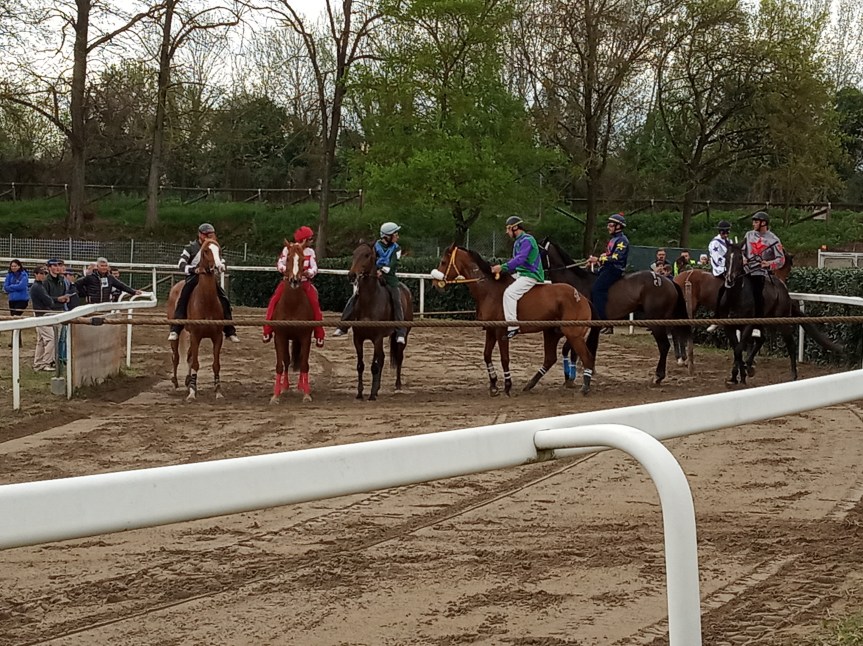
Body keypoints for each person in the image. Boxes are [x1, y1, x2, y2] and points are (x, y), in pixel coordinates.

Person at [333, 222, 407, 344]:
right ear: (387, 236)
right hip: (373, 276)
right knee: (355, 298)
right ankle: (343, 326)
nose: (397, 236)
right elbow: (370, 260)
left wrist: (382, 271)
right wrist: (372, 270)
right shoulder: (376, 246)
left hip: (390, 278)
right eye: (395, 234)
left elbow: (394, 263)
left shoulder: (397, 248)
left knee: (396, 300)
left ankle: (400, 331)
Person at [168, 223, 239, 343]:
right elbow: (181, 263)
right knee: (183, 297)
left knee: (224, 299)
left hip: (210, 278)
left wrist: (222, 266)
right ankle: (176, 328)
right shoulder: (190, 248)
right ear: (200, 235)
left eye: (211, 234)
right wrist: (194, 269)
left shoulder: (213, 247)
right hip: (194, 277)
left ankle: (229, 330)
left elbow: (221, 260)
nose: (209, 237)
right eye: (206, 235)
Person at [262, 226, 325, 347]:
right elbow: (280, 263)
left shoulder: (310, 252)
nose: (311, 241)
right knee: (274, 301)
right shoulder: (287, 249)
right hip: (288, 281)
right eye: (310, 239)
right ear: (303, 239)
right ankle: (267, 330)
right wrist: (285, 270)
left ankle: (319, 334)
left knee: (314, 303)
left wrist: (309, 272)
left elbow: (314, 267)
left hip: (304, 283)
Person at [491, 216, 545, 340]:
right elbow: (516, 262)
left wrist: (502, 267)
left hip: (531, 275)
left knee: (509, 293)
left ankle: (513, 326)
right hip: (522, 274)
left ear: (515, 228)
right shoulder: (518, 241)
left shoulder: (527, 240)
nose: (507, 232)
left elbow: (520, 259)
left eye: (508, 229)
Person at [743, 211, 785, 338]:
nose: (753, 224)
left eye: (756, 222)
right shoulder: (748, 235)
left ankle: (757, 326)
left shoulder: (774, 240)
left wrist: (769, 264)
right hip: (744, 270)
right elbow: (741, 250)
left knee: (757, 294)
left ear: (763, 223)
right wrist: (743, 258)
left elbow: (781, 259)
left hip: (759, 272)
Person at [588, 213, 630, 327]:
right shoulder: (614, 239)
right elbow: (608, 256)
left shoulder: (622, 240)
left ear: (618, 226)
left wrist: (599, 259)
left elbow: (617, 257)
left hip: (615, 269)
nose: (608, 227)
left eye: (610, 225)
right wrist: (597, 261)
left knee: (597, 289)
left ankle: (603, 322)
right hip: (607, 268)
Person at [29, 266, 59, 371]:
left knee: (41, 340)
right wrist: (52, 301)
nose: (43, 275)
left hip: (41, 314)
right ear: (36, 274)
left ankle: (38, 363)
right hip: (42, 315)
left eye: (45, 273)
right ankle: (46, 362)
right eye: (41, 273)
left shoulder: (39, 286)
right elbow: (48, 301)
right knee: (51, 338)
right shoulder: (37, 287)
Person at [76, 257, 142, 304]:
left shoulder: (110, 278)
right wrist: (84, 294)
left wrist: (133, 291)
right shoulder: (90, 277)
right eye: (102, 266)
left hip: (105, 304)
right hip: (91, 305)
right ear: (97, 266)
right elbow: (78, 283)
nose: (104, 267)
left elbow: (121, 285)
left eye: (105, 266)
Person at [4, 259, 29, 347]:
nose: (13, 267)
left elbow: (22, 286)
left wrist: (11, 287)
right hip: (12, 300)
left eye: (15, 266)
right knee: (14, 320)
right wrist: (15, 287)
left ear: (19, 266)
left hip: (22, 300)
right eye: (12, 266)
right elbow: (5, 287)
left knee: (16, 317)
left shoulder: (24, 275)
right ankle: (16, 341)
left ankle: (16, 341)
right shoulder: (9, 275)